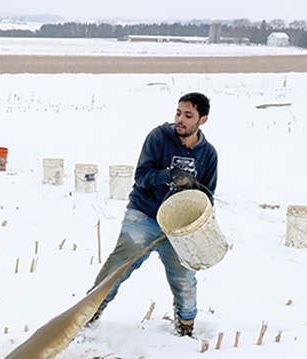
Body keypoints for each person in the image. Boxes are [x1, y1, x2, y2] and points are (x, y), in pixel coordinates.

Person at [87, 92, 217, 337]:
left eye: (188, 115)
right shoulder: (158, 138)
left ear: (203, 120)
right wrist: (169, 176)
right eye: (178, 113)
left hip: (180, 229)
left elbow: (208, 196)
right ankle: (86, 317)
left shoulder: (208, 154)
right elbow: (142, 177)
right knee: (116, 270)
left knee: (185, 282)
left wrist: (198, 213)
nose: (181, 119)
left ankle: (185, 329)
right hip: (144, 215)